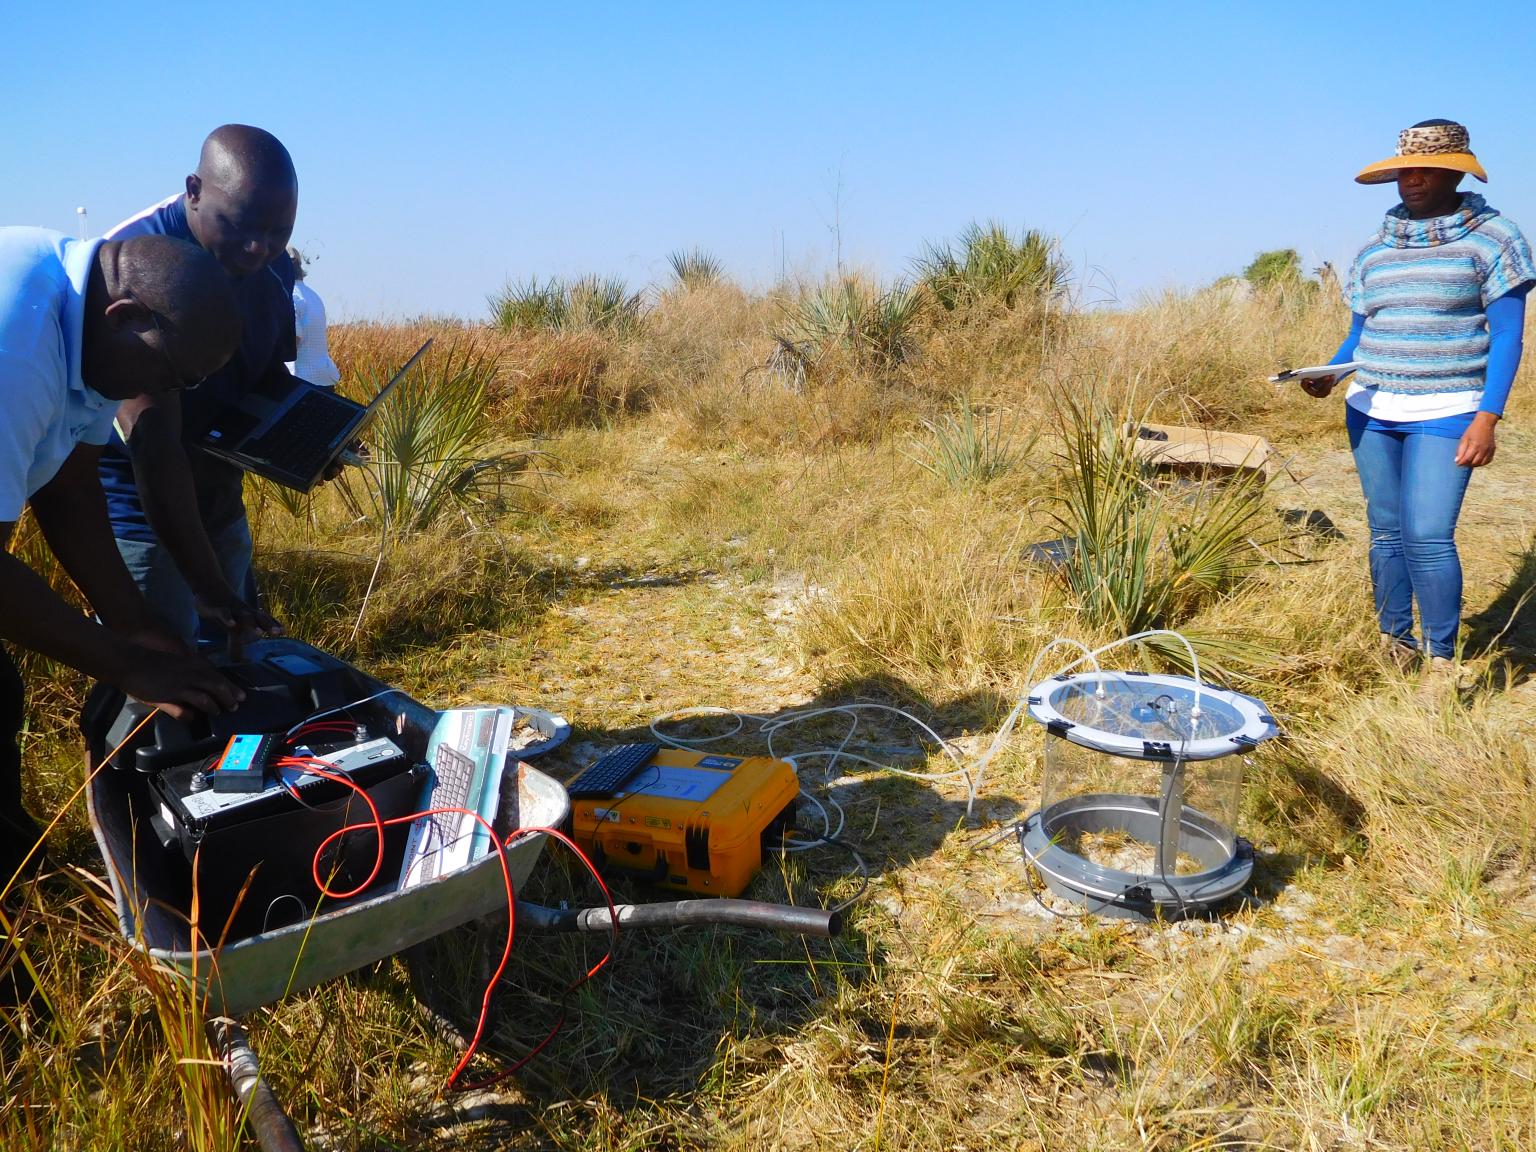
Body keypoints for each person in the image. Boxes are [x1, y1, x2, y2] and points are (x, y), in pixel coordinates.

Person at [1, 228, 246, 885]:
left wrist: (134, 623)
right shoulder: (17, 349)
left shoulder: (96, 327)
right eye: (169, 377)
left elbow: (70, 487)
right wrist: (128, 665)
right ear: (128, 318)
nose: (163, 396)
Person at [1305, 120, 1535, 671]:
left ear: (1455, 173)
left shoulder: (1495, 240)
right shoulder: (1375, 252)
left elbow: (1507, 334)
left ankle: (1441, 661)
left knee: (1428, 535)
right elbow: (1363, 335)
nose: (1412, 180)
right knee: (1386, 534)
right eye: (1404, 170)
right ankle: (1395, 643)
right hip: (1371, 409)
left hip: (1449, 407)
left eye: (1427, 170)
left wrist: (1488, 416)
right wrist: (1329, 373)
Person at [98, 125, 300, 647]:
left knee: (233, 667)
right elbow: (153, 446)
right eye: (240, 226)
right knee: (154, 678)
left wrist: (307, 437)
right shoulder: (140, 264)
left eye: (279, 232)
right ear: (193, 191)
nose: (259, 248)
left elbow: (266, 376)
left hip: (217, 500)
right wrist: (207, 586)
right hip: (145, 517)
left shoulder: (271, 264)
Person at [285, 246, 341, 388]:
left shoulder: (290, 296)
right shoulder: (313, 296)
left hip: (300, 380)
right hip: (324, 377)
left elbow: (293, 340)